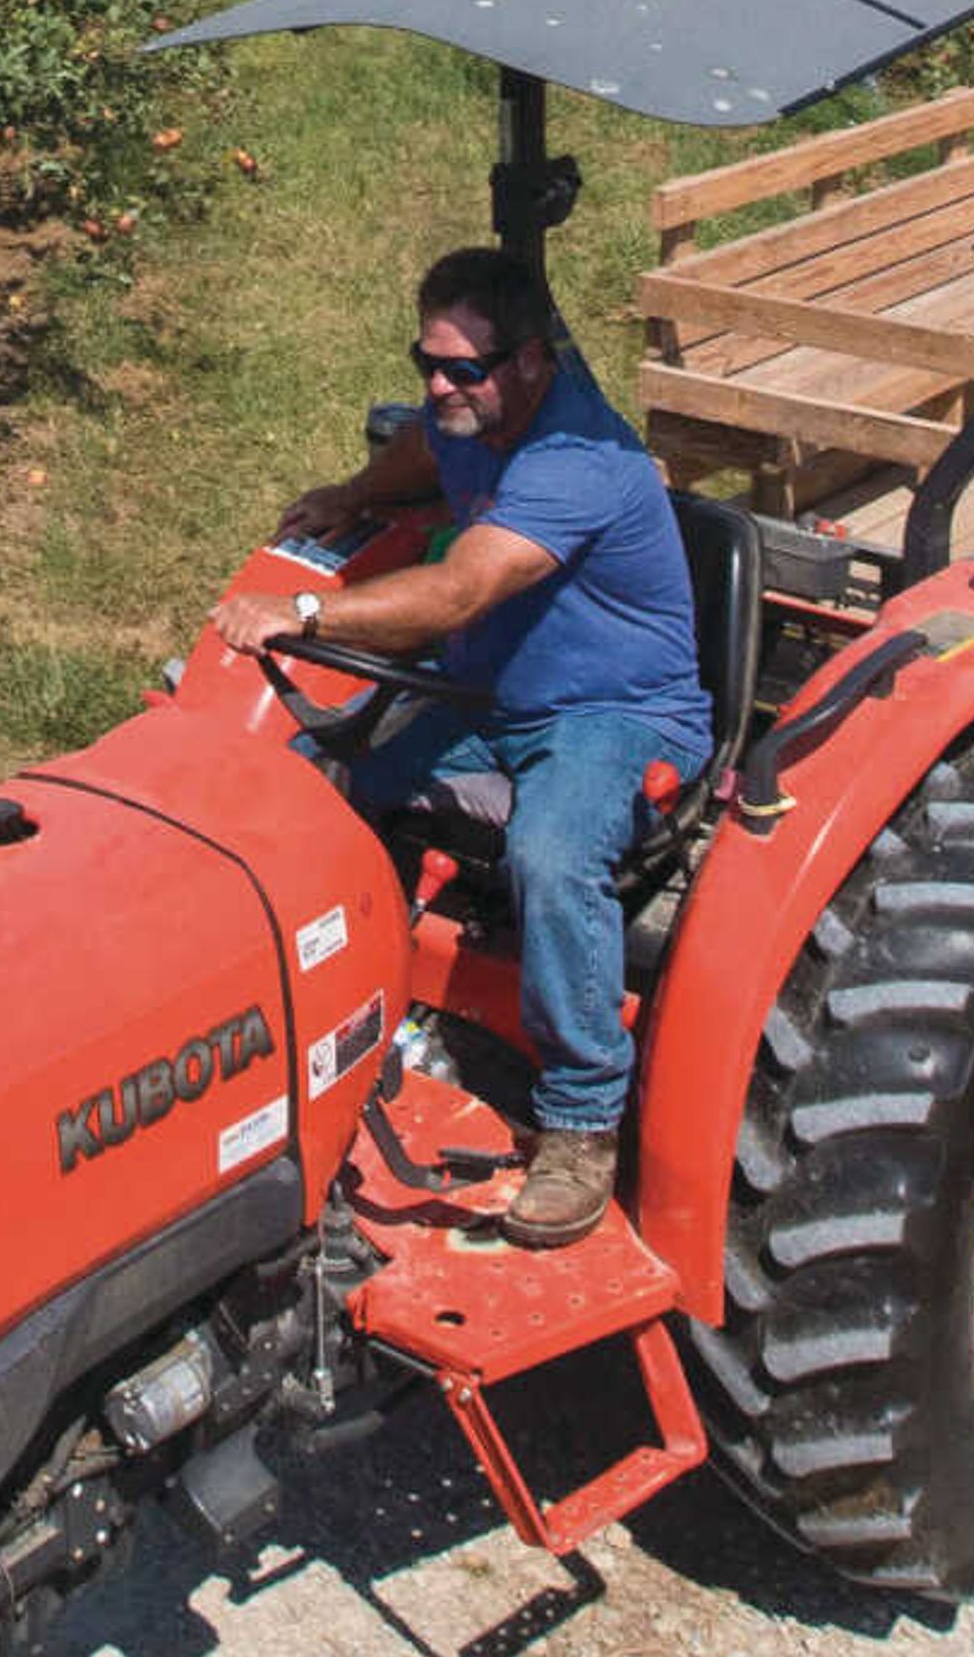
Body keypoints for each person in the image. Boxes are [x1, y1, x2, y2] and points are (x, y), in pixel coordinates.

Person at [211, 247, 713, 1249]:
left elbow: (457, 593)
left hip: (614, 715)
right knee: (320, 787)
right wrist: (355, 493)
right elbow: (427, 455)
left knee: (550, 852)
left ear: (530, 361)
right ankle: (332, 1014)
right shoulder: (475, 419)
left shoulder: (578, 460)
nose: (438, 386)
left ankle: (579, 1120)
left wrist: (304, 612)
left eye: (461, 369)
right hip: (495, 693)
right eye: (424, 361)